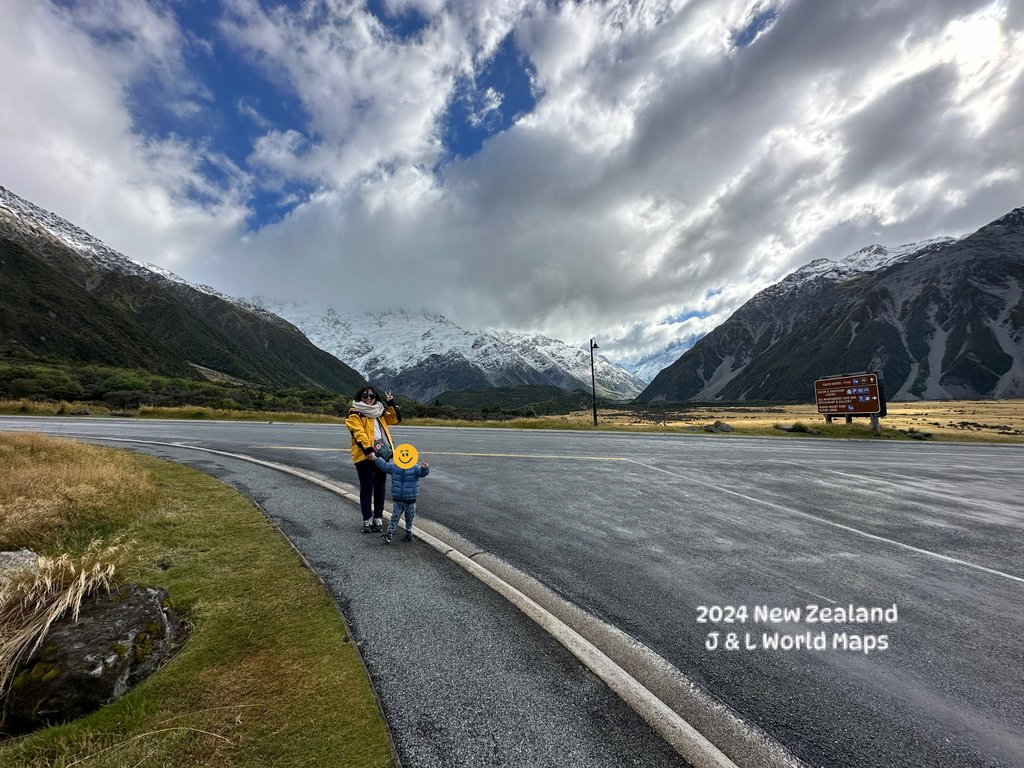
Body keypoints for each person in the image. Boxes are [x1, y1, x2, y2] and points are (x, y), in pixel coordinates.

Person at [346, 386, 400, 533]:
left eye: (372, 396)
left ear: (376, 397)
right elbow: (358, 433)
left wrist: (391, 403)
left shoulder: (380, 412)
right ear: (359, 397)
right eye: (365, 396)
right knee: (367, 487)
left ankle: (378, 518)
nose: (369, 399)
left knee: (380, 487)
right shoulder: (354, 413)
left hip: (382, 453)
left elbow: (395, 419)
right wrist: (368, 451)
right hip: (365, 455)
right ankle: (367, 519)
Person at [374, 450, 429, 543]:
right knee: (394, 517)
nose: (405, 457)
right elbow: (384, 466)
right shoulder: (394, 467)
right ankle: (389, 533)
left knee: (409, 517)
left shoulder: (415, 468)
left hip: (410, 500)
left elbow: (422, 473)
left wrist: (424, 468)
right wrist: (376, 459)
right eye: (402, 454)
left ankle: (408, 531)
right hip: (398, 500)